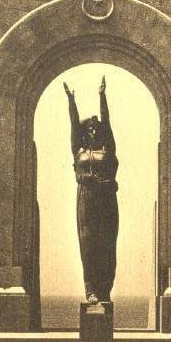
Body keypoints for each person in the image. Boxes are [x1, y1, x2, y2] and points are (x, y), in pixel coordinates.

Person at [64, 75, 118, 304]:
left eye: (96, 127)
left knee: (107, 243)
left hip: (107, 198)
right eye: (90, 127)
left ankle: (105, 289)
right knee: (88, 243)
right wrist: (71, 100)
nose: (94, 130)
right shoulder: (79, 150)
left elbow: (107, 122)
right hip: (86, 198)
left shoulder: (108, 148)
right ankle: (91, 291)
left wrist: (102, 95)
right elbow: (73, 125)